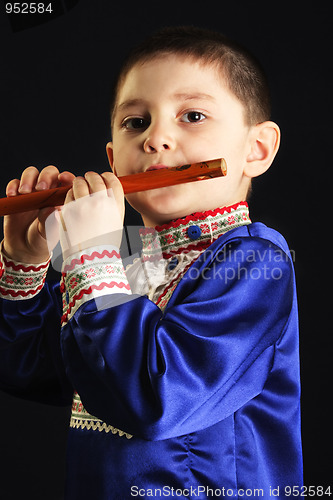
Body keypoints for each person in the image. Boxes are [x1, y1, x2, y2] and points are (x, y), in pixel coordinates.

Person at [0, 26, 302, 499]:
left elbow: (156, 401)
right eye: (135, 122)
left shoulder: (255, 260)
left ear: (256, 149)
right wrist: (26, 260)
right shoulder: (129, 257)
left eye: (193, 115)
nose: (156, 138)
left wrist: (92, 257)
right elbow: (27, 370)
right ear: (111, 159)